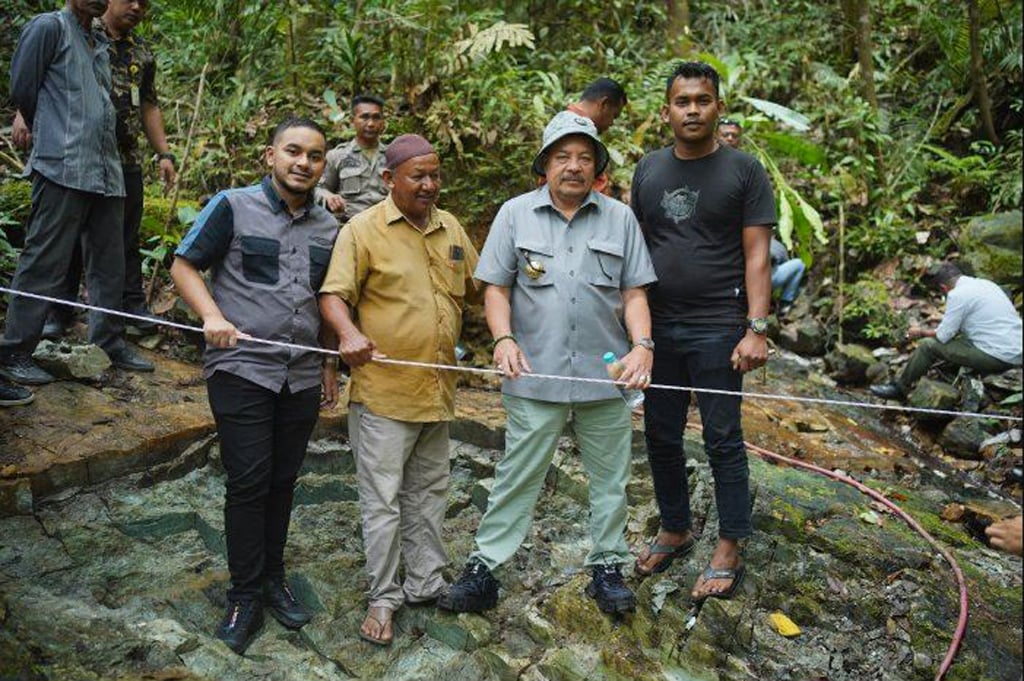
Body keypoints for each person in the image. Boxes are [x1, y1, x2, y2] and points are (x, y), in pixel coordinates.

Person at [439, 111, 657, 616]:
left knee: (611, 479)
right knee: (518, 473)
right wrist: (504, 339)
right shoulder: (515, 214)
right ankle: (484, 569)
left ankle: (607, 567)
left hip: (607, 380)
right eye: (563, 156)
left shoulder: (619, 218)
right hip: (533, 374)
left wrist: (643, 345)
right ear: (545, 164)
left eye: (584, 157)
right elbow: (495, 288)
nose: (574, 166)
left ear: (597, 166)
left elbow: (634, 292)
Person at [170, 117, 339, 654]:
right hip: (241, 366)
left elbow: (331, 299)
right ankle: (243, 595)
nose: (303, 163)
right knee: (249, 480)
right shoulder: (232, 205)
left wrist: (332, 362)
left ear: (323, 166)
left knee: (285, 480)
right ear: (270, 155)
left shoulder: (331, 228)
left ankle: (273, 578)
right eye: (293, 151)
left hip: (302, 374)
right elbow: (184, 266)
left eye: (314, 156)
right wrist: (210, 315)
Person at [318, 134, 479, 646]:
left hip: (437, 393)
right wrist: (348, 334)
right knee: (382, 501)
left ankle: (426, 581)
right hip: (384, 395)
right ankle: (383, 597)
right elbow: (333, 297)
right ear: (389, 180)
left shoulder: (450, 227)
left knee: (430, 493)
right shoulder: (361, 231)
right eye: (419, 176)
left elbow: (487, 285)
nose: (430, 185)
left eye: (435, 175)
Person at [630, 61, 776, 602]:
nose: (693, 109)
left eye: (703, 100)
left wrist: (756, 329)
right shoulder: (648, 170)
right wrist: (635, 329)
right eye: (683, 101)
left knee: (722, 438)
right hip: (659, 326)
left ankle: (730, 542)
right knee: (660, 433)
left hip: (719, 324)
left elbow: (757, 254)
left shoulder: (744, 171)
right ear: (666, 110)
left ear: (718, 107)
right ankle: (675, 526)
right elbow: (636, 250)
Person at [1, 0, 153, 386]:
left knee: (110, 261)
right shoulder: (50, 28)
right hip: (63, 166)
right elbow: (24, 88)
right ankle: (15, 350)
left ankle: (108, 341)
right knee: (45, 259)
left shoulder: (97, 38)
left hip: (106, 168)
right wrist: (55, 132)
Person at [22, 0, 178, 340]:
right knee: (63, 242)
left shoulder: (140, 52)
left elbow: (149, 104)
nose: (137, 7)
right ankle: (56, 312)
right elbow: (37, 82)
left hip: (122, 159)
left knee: (119, 241)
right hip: (73, 156)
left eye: (144, 3)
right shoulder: (75, 32)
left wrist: (164, 152)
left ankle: (118, 319)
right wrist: (25, 113)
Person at [870, 263, 1022, 400]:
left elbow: (943, 336)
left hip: (999, 357)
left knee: (928, 346)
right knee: (957, 339)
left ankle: (900, 389)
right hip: (1017, 351)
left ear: (943, 288)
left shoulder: (958, 295)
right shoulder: (987, 284)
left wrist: (921, 332)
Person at [315, 94, 389, 223]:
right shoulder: (337, 156)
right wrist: (329, 197)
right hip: (348, 225)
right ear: (352, 120)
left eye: (376, 118)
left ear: (383, 121)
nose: (371, 124)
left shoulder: (393, 156)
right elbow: (318, 188)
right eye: (364, 117)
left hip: (385, 225)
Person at [770, 237, 805, 318]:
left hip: (746, 282)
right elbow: (786, 266)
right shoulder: (777, 245)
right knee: (800, 263)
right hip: (769, 280)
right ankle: (785, 302)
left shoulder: (749, 241)